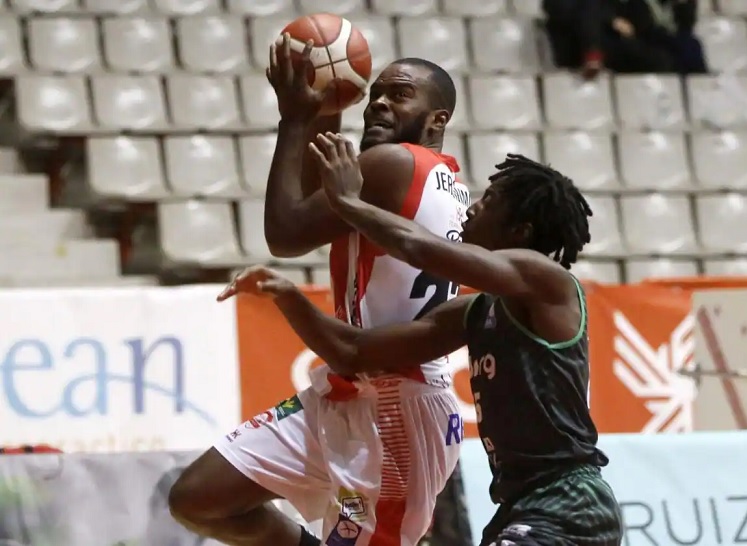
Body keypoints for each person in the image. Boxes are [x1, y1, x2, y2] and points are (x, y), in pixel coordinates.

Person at [226, 135, 623, 546]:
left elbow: (417, 246)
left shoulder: (547, 281)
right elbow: (355, 352)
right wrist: (288, 297)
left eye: (487, 204)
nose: (471, 210)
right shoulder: (475, 312)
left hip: (568, 501)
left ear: (519, 231)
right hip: (521, 504)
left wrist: (349, 202)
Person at [168, 34, 470, 546]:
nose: (378, 102)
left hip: (401, 406)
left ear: (437, 118)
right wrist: (325, 110)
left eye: (398, 94)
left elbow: (286, 233)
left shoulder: (393, 163)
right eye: (374, 92)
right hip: (350, 386)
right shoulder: (437, 177)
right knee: (199, 498)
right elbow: (313, 208)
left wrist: (293, 118)